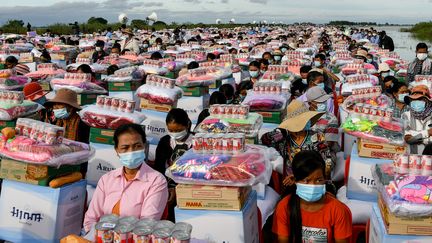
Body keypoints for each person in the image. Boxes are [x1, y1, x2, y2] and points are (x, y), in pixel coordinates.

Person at [83, 124, 168, 234]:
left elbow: (147, 225)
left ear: (145, 147)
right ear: (117, 151)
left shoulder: (156, 181)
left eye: (137, 146)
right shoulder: (107, 179)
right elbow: (91, 218)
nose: (131, 151)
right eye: (125, 148)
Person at [272, 150, 352, 243]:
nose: (313, 185)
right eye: (306, 180)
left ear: (325, 179)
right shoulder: (285, 207)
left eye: (318, 180)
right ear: (295, 181)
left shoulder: (338, 210)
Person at [261, 100, 336, 184]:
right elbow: (265, 140)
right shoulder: (284, 139)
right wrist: (281, 132)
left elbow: (327, 164)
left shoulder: (317, 137)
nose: (297, 129)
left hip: (314, 181)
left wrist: (303, 179)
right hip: (291, 181)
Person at [154, 108, 193, 220]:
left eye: (178, 130)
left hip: (188, 190)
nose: (174, 134)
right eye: (171, 130)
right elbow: (159, 168)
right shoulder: (165, 142)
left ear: (187, 125)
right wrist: (164, 189)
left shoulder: (196, 142)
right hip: (168, 192)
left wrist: (179, 189)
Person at [306, 87, 340, 152]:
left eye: (324, 101)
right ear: (310, 103)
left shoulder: (331, 118)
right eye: (319, 102)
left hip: (324, 152)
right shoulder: (303, 116)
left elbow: (329, 143)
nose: (323, 103)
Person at [402, 85, 432, 154]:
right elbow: (407, 138)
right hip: (412, 158)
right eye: (413, 100)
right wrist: (428, 133)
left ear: (427, 101)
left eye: (419, 99)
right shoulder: (406, 115)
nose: (416, 102)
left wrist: (416, 136)